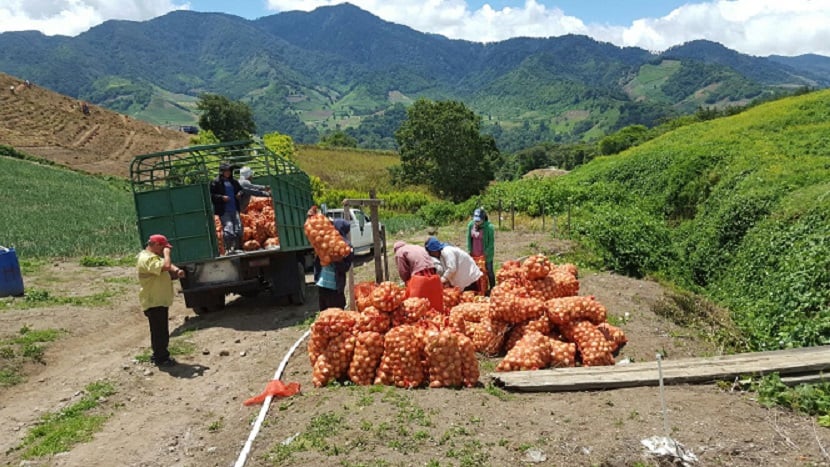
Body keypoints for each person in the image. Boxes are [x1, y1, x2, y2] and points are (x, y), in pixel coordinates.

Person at [137, 234, 185, 367]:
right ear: (156, 245)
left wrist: (177, 270)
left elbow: (166, 265)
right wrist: (167, 254)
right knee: (159, 332)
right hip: (153, 301)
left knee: (161, 330)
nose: (165, 249)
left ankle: (159, 354)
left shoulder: (152, 257)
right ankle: (161, 358)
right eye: (163, 247)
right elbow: (165, 265)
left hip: (158, 300)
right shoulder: (146, 259)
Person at [313, 218, 354, 310]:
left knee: (337, 315)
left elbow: (345, 268)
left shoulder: (347, 246)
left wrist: (338, 260)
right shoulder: (326, 241)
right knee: (324, 316)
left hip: (335, 287)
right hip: (322, 284)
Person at [394, 240, 444, 312]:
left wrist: (407, 282)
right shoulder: (416, 246)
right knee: (433, 298)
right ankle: (435, 315)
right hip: (432, 271)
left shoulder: (399, 252)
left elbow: (403, 271)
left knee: (416, 306)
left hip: (419, 275)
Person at [209, 162, 243, 253]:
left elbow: (240, 190)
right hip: (224, 210)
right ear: (222, 172)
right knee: (229, 227)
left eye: (229, 171)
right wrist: (221, 198)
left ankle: (236, 248)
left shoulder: (233, 182)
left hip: (234, 208)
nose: (228, 173)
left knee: (238, 228)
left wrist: (239, 193)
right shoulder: (216, 182)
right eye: (226, 171)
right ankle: (228, 248)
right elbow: (212, 196)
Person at [466, 207, 496, 293]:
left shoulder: (489, 227)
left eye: (479, 221)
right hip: (475, 253)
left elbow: (491, 243)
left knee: (489, 270)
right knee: (476, 272)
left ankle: (492, 288)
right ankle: (479, 289)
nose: (477, 222)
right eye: (475, 220)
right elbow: (468, 238)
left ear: (483, 219)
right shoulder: (471, 225)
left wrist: (485, 253)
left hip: (486, 254)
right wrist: (469, 249)